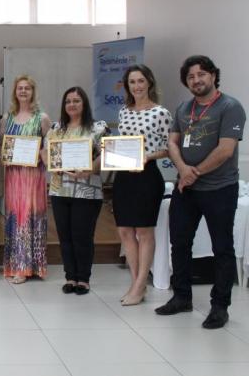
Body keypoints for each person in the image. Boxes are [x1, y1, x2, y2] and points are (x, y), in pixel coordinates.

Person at [156, 55, 245, 329]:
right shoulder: (184, 108)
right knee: (179, 243)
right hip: (186, 189)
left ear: (213, 76)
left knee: (222, 247)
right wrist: (183, 169)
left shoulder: (230, 107)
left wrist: (193, 173)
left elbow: (225, 150)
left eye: (201, 74)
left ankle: (220, 306)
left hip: (219, 188)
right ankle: (181, 297)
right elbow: (172, 142)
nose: (196, 80)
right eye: (191, 76)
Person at [112, 65, 171, 306]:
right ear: (127, 86)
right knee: (125, 231)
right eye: (132, 82)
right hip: (124, 176)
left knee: (144, 231)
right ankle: (136, 282)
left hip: (147, 175)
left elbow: (169, 147)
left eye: (140, 81)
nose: (137, 86)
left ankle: (139, 285)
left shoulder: (161, 113)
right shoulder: (123, 112)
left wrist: (149, 156)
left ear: (149, 83)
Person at [45, 87, 109, 295]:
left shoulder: (98, 128)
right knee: (65, 236)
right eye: (68, 101)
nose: (72, 105)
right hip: (59, 189)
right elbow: (45, 153)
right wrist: (55, 165)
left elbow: (107, 154)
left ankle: (84, 278)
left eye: (76, 101)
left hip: (87, 191)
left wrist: (90, 168)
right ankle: (70, 276)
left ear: (84, 104)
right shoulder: (56, 129)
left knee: (82, 235)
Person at [1, 75, 51, 284]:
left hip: (33, 177)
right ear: (15, 92)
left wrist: (40, 153)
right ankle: (17, 265)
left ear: (33, 92)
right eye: (20, 88)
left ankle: (32, 266)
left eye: (27, 88)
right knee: (17, 217)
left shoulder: (43, 118)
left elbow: (48, 148)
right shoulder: (7, 118)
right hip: (14, 176)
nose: (23, 91)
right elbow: (3, 148)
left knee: (31, 217)